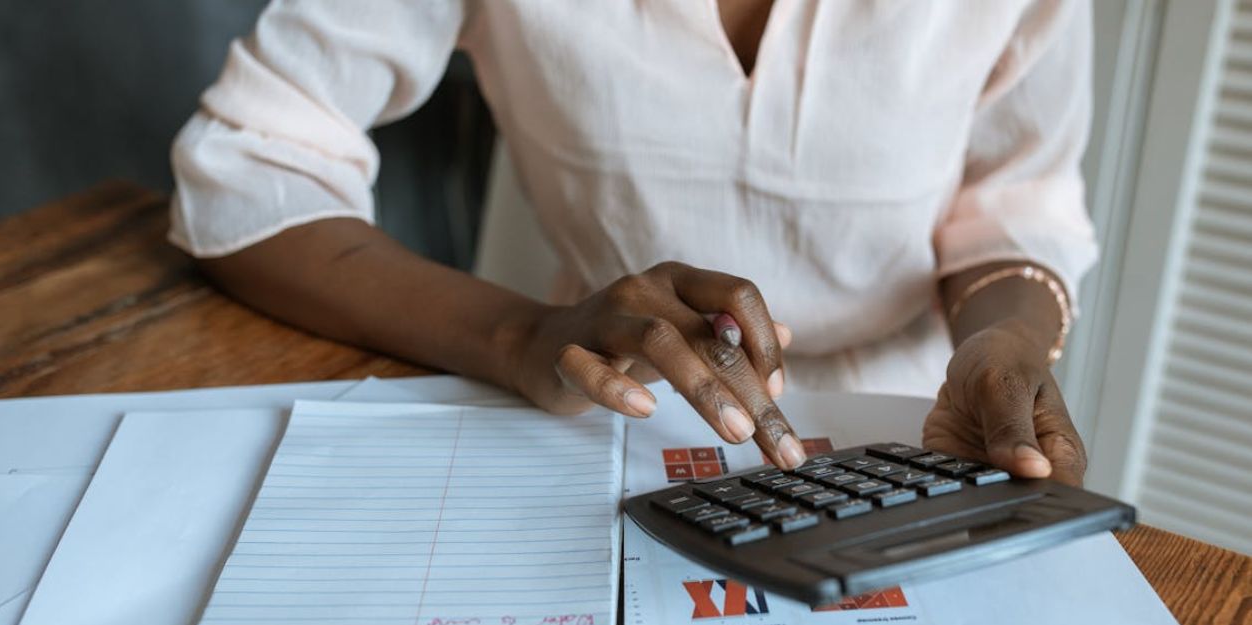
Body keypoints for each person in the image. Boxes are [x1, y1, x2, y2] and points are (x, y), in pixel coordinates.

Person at [171, 0, 1093, 483]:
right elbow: (250, 161)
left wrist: (1005, 341)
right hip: (602, 419)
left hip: (924, 433)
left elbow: (1016, 199)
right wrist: (520, 336)